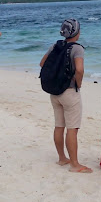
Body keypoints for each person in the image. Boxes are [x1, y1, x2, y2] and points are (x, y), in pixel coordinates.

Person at [39, 18, 91, 173]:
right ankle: (75, 164)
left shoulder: (55, 45)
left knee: (59, 126)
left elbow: (42, 64)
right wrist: (78, 84)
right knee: (72, 129)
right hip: (69, 92)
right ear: (77, 32)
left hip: (54, 92)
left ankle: (62, 158)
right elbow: (79, 69)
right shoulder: (77, 48)